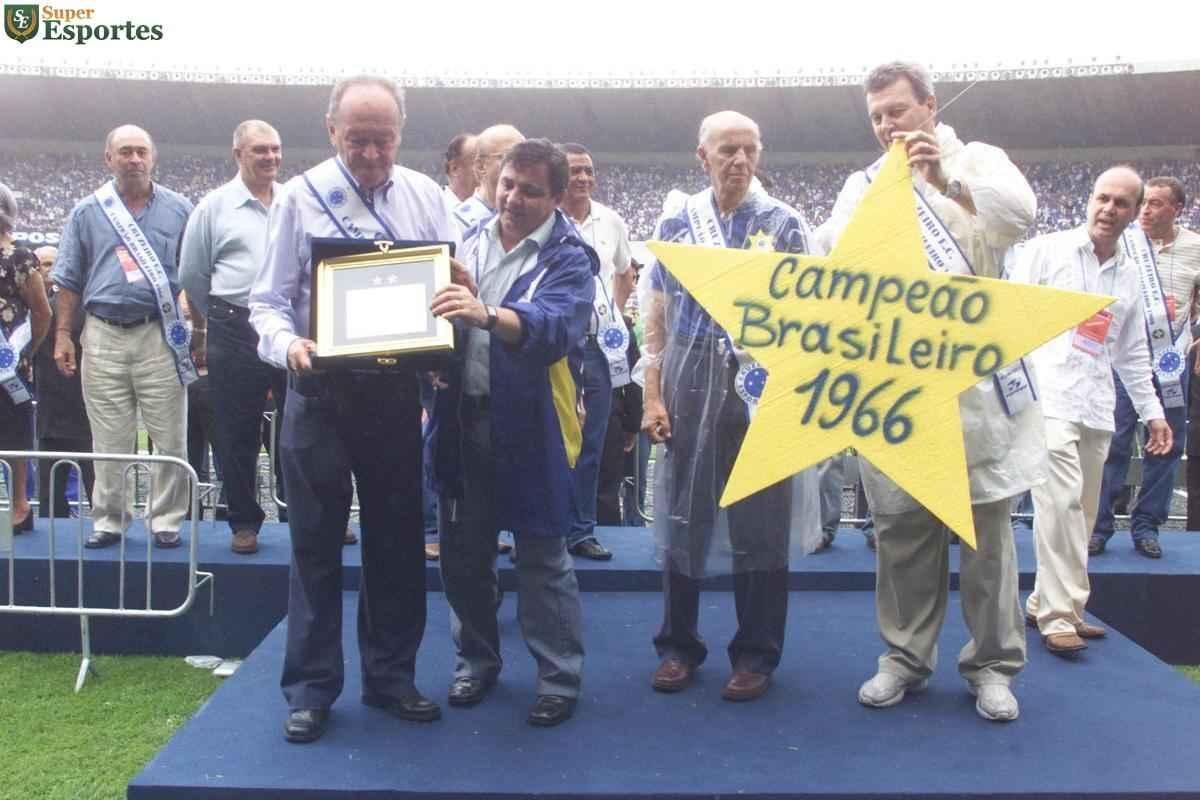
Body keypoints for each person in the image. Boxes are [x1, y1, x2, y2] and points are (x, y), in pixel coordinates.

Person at [820, 62, 1039, 721]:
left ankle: (993, 666)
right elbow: (831, 262)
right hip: (897, 386)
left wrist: (944, 180)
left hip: (975, 387)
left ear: (930, 105)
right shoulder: (861, 185)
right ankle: (905, 658)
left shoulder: (979, 159)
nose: (887, 124)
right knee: (901, 533)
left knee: (987, 539)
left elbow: (1020, 216)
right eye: (876, 116)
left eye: (896, 110)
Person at [249, 75, 459, 744]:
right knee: (314, 543)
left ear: (401, 133)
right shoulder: (300, 197)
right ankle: (311, 689)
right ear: (332, 130)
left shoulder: (427, 197)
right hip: (319, 391)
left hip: (394, 396)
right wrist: (289, 346)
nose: (371, 153)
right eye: (358, 139)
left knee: (397, 540)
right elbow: (267, 302)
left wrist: (446, 329)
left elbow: (452, 285)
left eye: (383, 139)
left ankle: (391, 677)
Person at [641, 110, 813, 703]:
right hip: (688, 372)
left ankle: (756, 652)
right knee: (683, 515)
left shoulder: (785, 224)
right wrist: (653, 394)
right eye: (727, 150)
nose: (740, 160)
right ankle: (678, 646)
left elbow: (808, 316)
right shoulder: (677, 223)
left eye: (749, 149)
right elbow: (656, 314)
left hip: (761, 379)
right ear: (702, 156)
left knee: (761, 521)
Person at [430, 138, 594, 727]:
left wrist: (486, 313)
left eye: (530, 190)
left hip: (533, 425)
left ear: (556, 197)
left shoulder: (572, 258)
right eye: (506, 184)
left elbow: (553, 328)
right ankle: (476, 660)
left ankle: (558, 678)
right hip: (461, 416)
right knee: (463, 555)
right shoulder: (465, 240)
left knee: (543, 555)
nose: (512, 198)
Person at [1012, 166, 1172, 655]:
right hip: (1048, 398)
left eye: (1121, 203)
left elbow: (1132, 353)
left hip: (1097, 405)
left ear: (1134, 212)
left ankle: (1045, 600)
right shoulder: (1046, 251)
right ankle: (1060, 614)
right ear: (1089, 199)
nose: (1109, 209)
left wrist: (1153, 412)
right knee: (1058, 504)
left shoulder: (1130, 275)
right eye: (1103, 198)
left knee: (1082, 511)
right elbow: (1011, 317)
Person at [51, 125, 195, 549]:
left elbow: (193, 273)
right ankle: (110, 520)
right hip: (102, 333)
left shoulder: (180, 209)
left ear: (153, 157)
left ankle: (166, 520)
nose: (134, 159)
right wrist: (63, 333)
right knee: (109, 436)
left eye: (141, 152)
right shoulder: (87, 211)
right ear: (108, 158)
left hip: (160, 333)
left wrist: (198, 327)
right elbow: (68, 279)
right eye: (125, 152)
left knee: (170, 435)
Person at [179, 120, 289, 554]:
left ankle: (307, 516)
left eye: (275, 149)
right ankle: (244, 522)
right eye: (260, 149)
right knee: (236, 429)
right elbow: (192, 273)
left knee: (303, 426)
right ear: (238, 154)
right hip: (234, 323)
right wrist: (218, 320)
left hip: (287, 324)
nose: (270, 157)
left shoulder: (294, 202)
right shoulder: (214, 206)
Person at [1091, 176, 1200, 559]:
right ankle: (1099, 526)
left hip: (1170, 361)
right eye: (1144, 203)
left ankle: (1147, 526)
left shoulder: (1196, 248)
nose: (1146, 210)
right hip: (1124, 359)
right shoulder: (1123, 243)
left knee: (1166, 444)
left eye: (1155, 203)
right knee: (1113, 439)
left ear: (1177, 209)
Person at [560, 143, 634, 561]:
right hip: (554, 348)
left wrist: (613, 317)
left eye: (588, 170)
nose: (584, 178)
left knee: (592, 443)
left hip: (598, 349)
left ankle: (581, 530)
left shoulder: (611, 220)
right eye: (575, 171)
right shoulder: (544, 218)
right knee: (549, 439)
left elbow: (625, 272)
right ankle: (542, 529)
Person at [0, 183, 51, 532]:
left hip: (8, 365)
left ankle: (20, 505)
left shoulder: (20, 258)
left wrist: (27, 352)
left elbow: (42, 313)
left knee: (14, 435)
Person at [453, 124, 524, 238]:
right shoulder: (455, 224)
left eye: (524, 157)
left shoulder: (532, 220)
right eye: (509, 156)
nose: (521, 164)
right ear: (481, 166)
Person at [443, 133, 478, 205]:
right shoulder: (434, 207)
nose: (484, 170)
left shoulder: (494, 209)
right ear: (454, 169)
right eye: (478, 163)